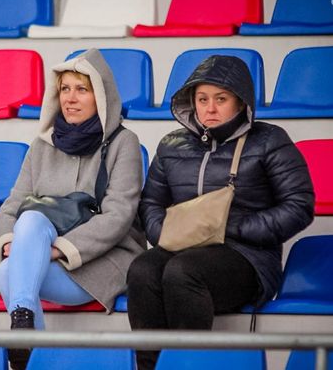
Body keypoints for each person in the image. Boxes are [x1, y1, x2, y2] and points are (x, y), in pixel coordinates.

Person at [126, 55, 315, 369]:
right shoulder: (171, 144)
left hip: (247, 257)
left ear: (241, 102)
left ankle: (188, 365)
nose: (210, 108)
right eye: (202, 99)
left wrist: (234, 227)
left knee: (182, 271)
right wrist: (168, 234)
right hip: (183, 248)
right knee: (142, 270)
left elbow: (299, 205)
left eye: (221, 99)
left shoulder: (270, 140)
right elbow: (150, 204)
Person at [0, 48, 146, 370]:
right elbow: (12, 206)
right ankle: (26, 342)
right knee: (14, 253)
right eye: (65, 89)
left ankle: (26, 353)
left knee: (15, 264)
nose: (71, 98)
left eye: (82, 89)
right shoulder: (41, 145)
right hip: (40, 252)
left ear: (101, 96)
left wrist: (58, 249)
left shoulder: (124, 142)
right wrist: (10, 242)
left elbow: (119, 215)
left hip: (104, 260)